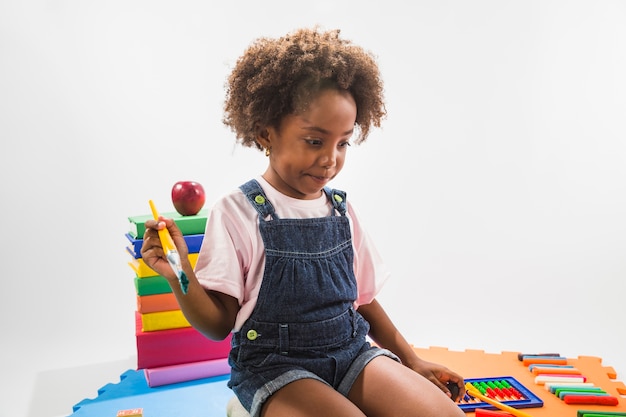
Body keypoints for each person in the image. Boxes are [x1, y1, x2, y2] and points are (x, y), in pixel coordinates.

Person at [141, 27, 466, 417]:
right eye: (315, 141)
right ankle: (249, 409)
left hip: (350, 354)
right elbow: (217, 325)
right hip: (275, 368)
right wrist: (179, 273)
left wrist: (411, 360)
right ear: (266, 133)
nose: (331, 159)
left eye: (342, 142)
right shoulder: (238, 211)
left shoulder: (341, 210)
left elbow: (363, 300)